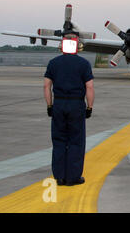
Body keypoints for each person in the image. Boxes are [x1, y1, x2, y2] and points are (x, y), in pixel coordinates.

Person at [43, 35, 95, 186]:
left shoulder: (53, 63)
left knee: (59, 141)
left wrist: (49, 105)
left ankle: (59, 177)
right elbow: (89, 87)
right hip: (76, 105)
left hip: (59, 104)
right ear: (77, 47)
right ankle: (73, 177)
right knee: (76, 141)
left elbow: (47, 86)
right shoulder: (84, 64)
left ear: (62, 46)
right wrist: (89, 107)